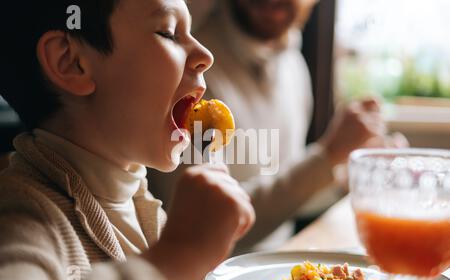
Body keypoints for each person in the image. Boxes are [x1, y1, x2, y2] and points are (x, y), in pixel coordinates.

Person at [0, 0, 255, 280]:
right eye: (169, 33)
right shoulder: (21, 217)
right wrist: (173, 260)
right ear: (71, 62)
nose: (205, 55)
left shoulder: (140, 207)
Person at [148, 0, 406, 253]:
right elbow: (199, 226)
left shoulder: (294, 65)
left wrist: (347, 176)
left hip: (279, 267)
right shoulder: (191, 69)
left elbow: (286, 196)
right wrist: (325, 156)